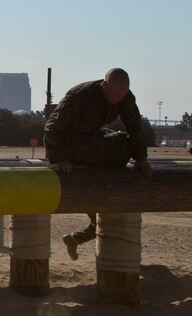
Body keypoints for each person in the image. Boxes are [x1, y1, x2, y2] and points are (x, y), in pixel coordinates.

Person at [44, 68, 153, 260]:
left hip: (93, 139)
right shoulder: (80, 96)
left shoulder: (125, 97)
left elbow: (135, 127)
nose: (118, 98)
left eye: (123, 94)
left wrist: (141, 159)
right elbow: (53, 128)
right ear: (105, 85)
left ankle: (75, 238)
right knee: (104, 156)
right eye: (115, 93)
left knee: (123, 142)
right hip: (70, 145)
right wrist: (58, 159)